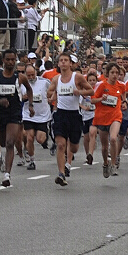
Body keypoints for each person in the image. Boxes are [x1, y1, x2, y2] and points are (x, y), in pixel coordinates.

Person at [0, 49, 33, 187]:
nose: (11, 62)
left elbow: (29, 89)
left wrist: (30, 105)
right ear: (3, 60)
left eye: (13, 59)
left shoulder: (20, 77)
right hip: (0, 113)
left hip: (14, 113)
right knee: (1, 143)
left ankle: (7, 174)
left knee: (10, 142)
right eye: (8, 60)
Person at [48, 54, 94, 186]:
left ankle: (71, 152)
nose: (63, 63)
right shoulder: (56, 79)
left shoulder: (77, 77)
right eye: (60, 61)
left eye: (65, 60)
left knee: (73, 147)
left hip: (74, 115)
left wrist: (79, 92)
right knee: (61, 145)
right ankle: (61, 174)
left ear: (70, 64)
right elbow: (50, 92)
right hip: (61, 114)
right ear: (58, 64)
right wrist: (52, 96)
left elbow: (90, 91)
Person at [90, 63, 124, 179]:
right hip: (102, 118)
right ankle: (105, 163)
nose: (115, 75)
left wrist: (124, 103)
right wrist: (101, 98)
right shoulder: (101, 85)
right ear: (107, 74)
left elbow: (124, 96)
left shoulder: (121, 86)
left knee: (114, 138)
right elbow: (92, 100)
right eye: (112, 73)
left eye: (117, 73)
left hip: (115, 116)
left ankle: (113, 164)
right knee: (104, 147)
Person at [22, 63, 53, 171]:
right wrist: (23, 97)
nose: (31, 77)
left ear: (36, 72)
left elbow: (54, 90)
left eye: (32, 75)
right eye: (28, 75)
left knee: (40, 139)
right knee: (29, 137)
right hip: (28, 115)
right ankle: (32, 160)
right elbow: (17, 97)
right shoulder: (22, 84)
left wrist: (51, 98)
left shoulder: (44, 82)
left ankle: (47, 131)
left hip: (42, 115)